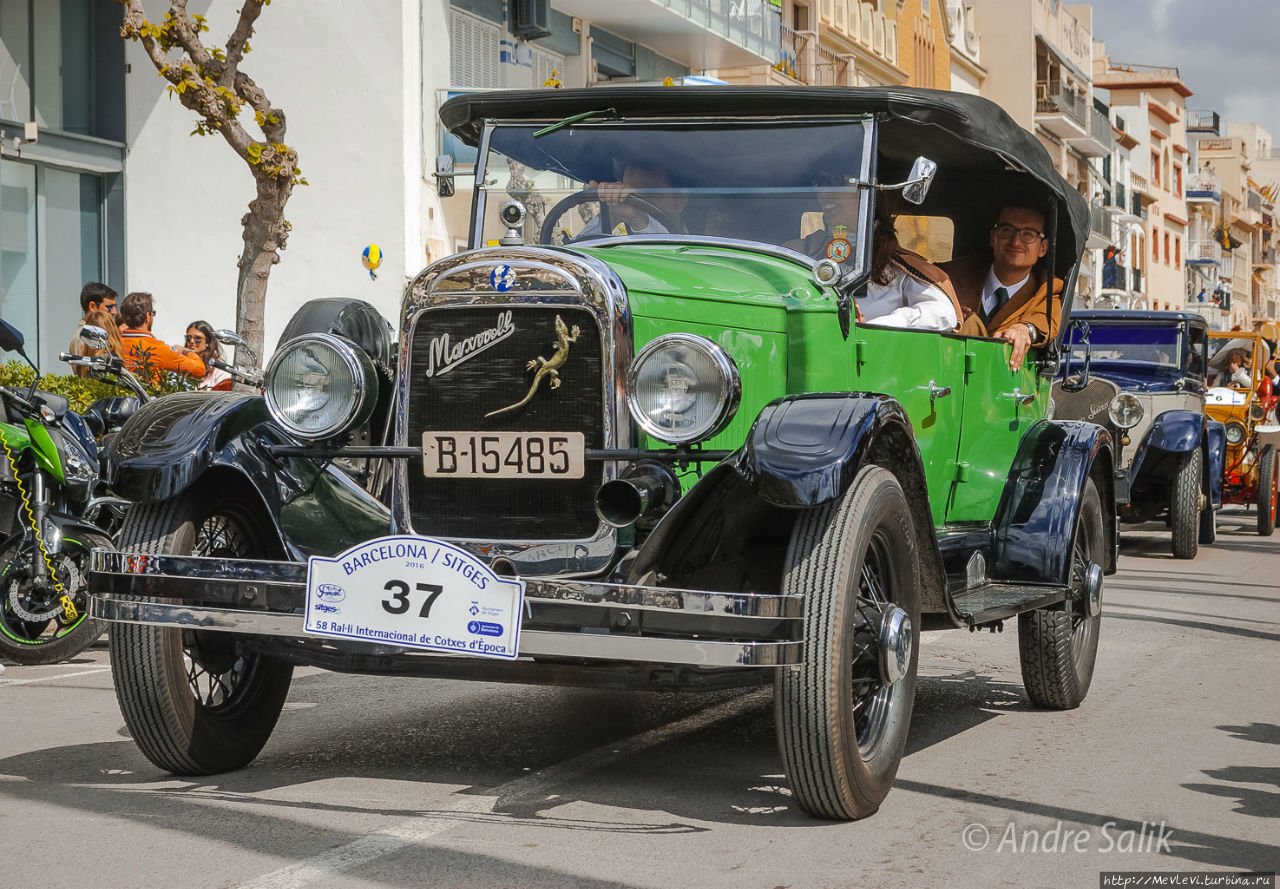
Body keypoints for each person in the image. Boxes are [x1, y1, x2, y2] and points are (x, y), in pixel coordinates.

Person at [787, 177, 959, 331]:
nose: (824, 193)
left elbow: (942, 313)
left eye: (838, 183)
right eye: (821, 184)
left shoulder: (900, 267)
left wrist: (873, 328)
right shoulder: (800, 252)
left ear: (873, 193)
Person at [939, 203, 1065, 370]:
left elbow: (1046, 320)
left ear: (1042, 247)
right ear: (993, 237)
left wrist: (1023, 329)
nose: (1016, 241)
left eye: (1028, 234)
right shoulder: (951, 275)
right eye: (1007, 230)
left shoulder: (1047, 286)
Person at [579, 161, 687, 237]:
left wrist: (637, 216)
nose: (637, 205)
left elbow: (667, 254)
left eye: (649, 196)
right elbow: (575, 258)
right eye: (631, 197)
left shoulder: (700, 250)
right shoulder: (621, 246)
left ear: (680, 200)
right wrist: (609, 215)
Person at [118, 291, 206, 383]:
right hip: (147, 396)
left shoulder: (113, 344)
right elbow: (199, 369)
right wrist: (186, 351)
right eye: (153, 313)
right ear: (148, 317)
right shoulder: (158, 349)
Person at [67, 282, 118, 378]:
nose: (115, 312)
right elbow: (87, 375)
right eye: (109, 307)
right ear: (92, 306)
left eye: (115, 306)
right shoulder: (83, 336)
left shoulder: (90, 334)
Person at [185, 320, 232, 391]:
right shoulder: (182, 361)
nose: (191, 341)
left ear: (207, 341)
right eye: (188, 338)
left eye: (197, 338)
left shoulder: (218, 367)